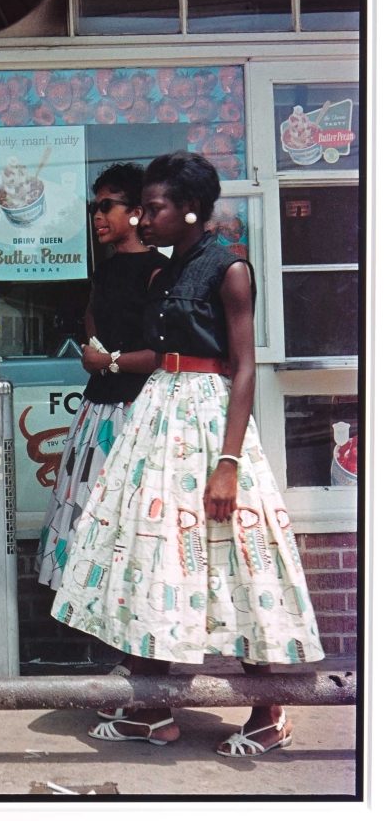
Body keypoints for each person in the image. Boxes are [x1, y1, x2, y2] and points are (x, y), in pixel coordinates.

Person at [51, 150, 324, 757]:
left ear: (192, 210)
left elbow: (245, 366)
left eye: (156, 208)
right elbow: (148, 346)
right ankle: (153, 707)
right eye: (142, 209)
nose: (145, 219)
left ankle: (268, 712)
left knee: (236, 557)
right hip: (158, 414)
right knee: (151, 556)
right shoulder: (164, 273)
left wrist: (227, 463)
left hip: (207, 423)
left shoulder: (229, 270)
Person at [37, 163, 165, 593]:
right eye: (95, 207)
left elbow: (167, 352)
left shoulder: (158, 272)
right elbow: (93, 318)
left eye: (107, 206)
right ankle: (96, 612)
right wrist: (97, 348)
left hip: (138, 410)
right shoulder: (106, 270)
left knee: (131, 517)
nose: (97, 216)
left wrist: (107, 360)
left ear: (136, 212)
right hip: (97, 411)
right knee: (90, 515)